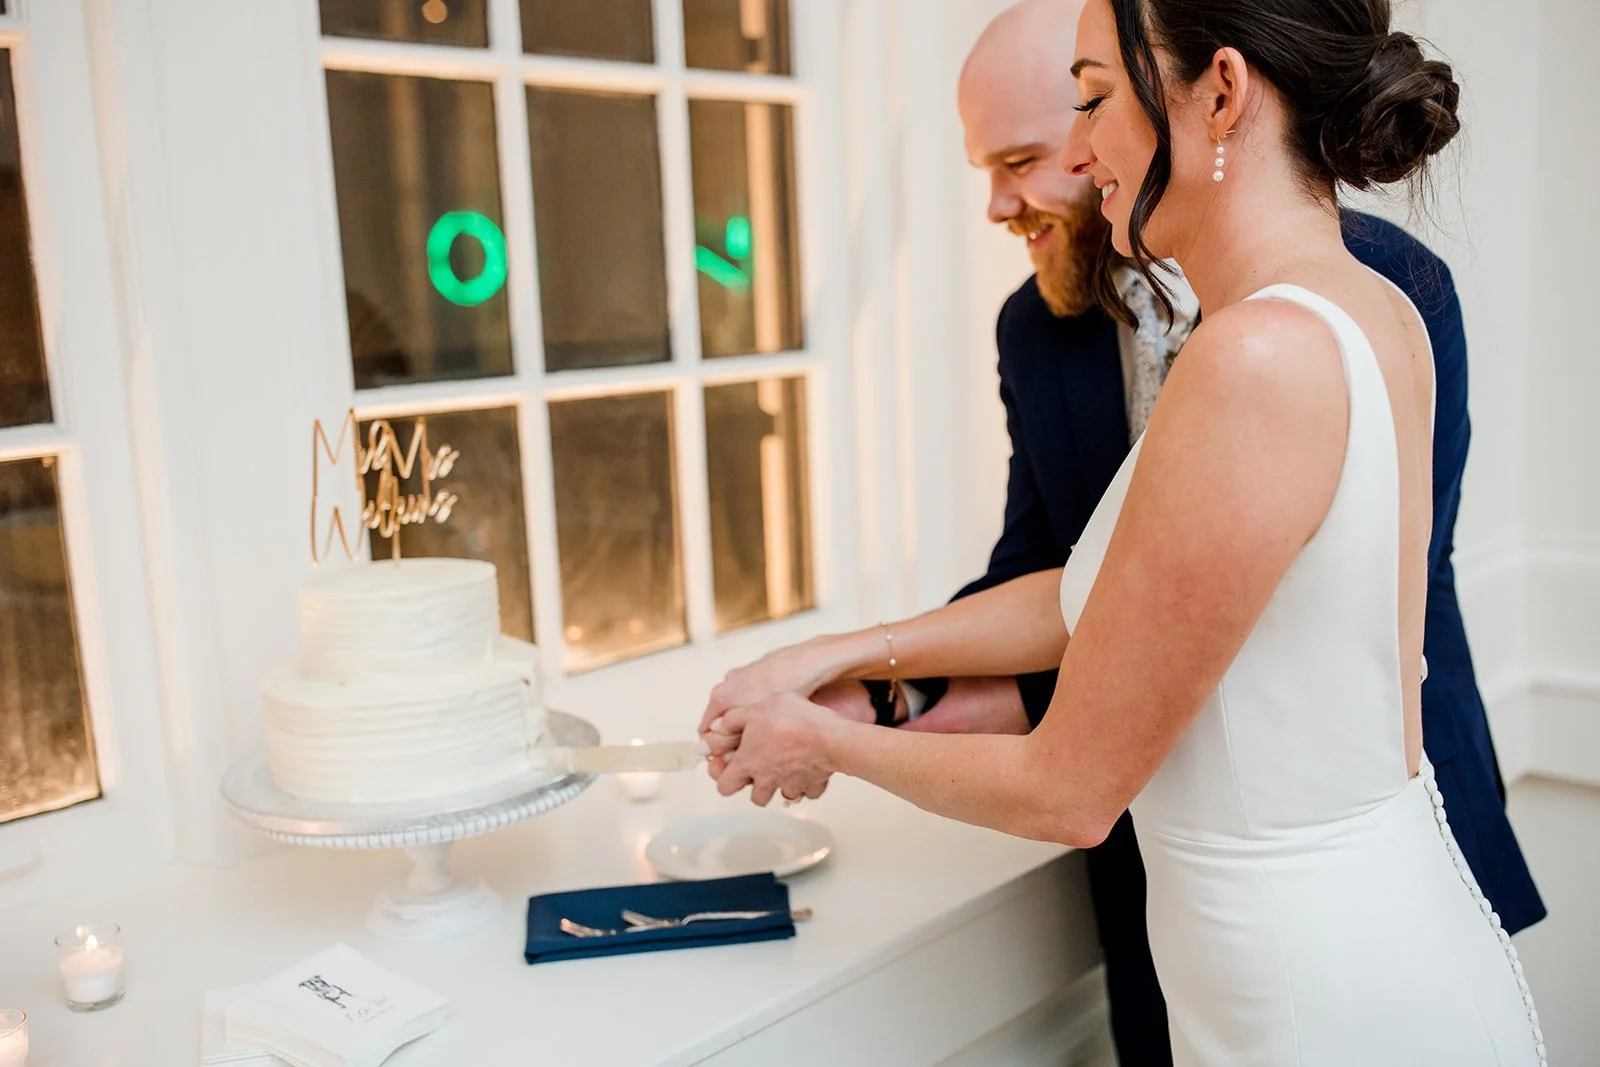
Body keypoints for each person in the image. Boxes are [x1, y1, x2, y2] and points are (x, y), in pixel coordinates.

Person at [698, 0, 1548, 1062]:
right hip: (1332, 933)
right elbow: (1086, 594)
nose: (1083, 140)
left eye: (1094, 97)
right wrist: (831, 655)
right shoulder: (1365, 310)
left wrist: (824, 740)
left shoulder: (1254, 358)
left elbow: (1070, 788)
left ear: (1222, 94)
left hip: (1308, 986)